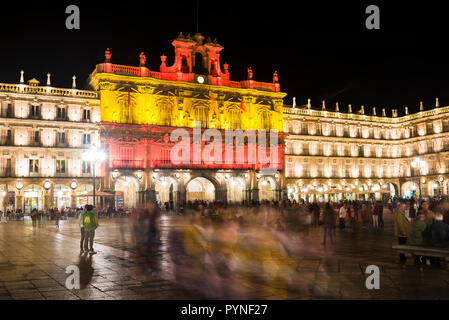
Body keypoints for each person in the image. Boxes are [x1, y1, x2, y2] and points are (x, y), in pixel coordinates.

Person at [394, 201, 411, 267]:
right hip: (402, 234)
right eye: (403, 207)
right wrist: (403, 232)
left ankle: (402, 256)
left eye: (405, 207)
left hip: (404, 233)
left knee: (402, 245)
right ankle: (402, 257)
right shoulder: (399, 214)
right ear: (400, 207)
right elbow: (400, 224)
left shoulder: (401, 213)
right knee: (402, 245)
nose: (405, 208)